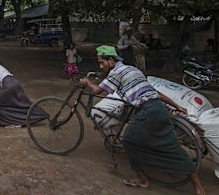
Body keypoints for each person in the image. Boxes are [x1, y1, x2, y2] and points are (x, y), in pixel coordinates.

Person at [79, 45, 205, 194]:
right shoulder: (133, 70)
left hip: (148, 112)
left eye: (102, 62)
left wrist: (87, 82)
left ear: (111, 60)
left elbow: (97, 91)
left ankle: (143, 180)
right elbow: (155, 92)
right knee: (174, 148)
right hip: (159, 109)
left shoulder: (116, 73)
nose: (101, 66)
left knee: (128, 141)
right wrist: (177, 106)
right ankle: (199, 188)